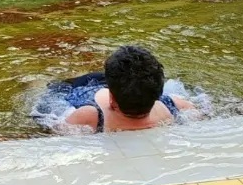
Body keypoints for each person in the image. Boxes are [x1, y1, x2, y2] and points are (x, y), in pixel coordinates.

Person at [62, 46, 196, 133]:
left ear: (111, 98)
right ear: (158, 94)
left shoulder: (89, 116)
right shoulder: (174, 106)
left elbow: (59, 131)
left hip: (89, 86)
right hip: (118, 87)